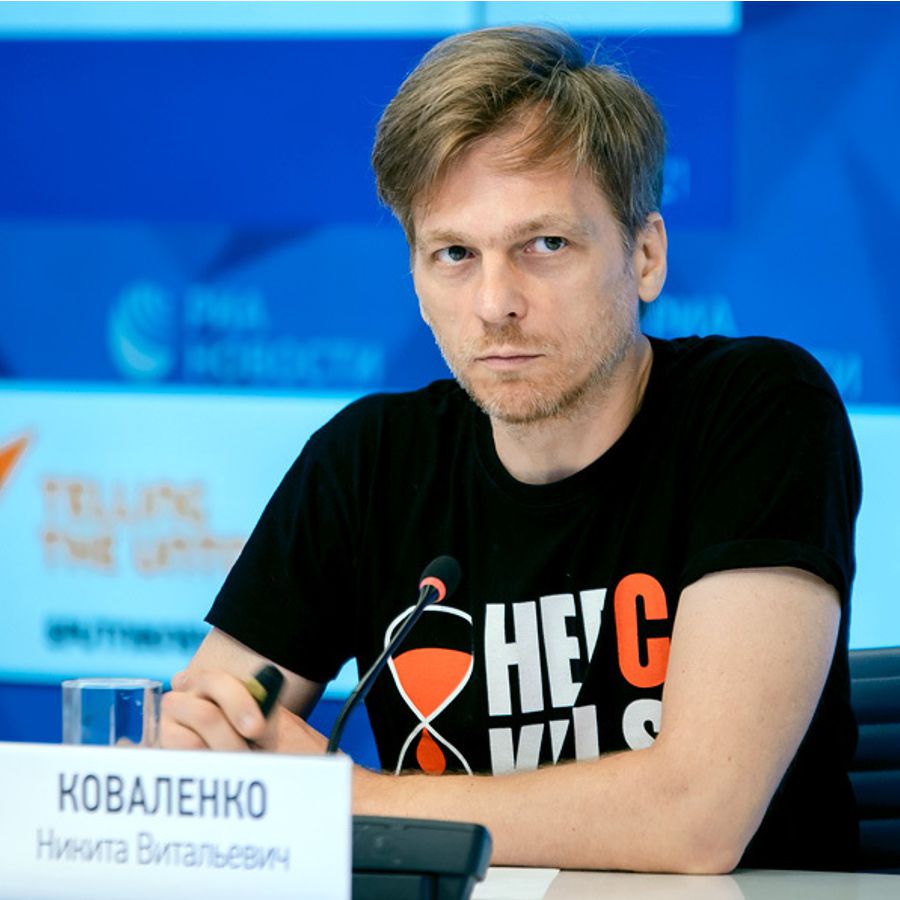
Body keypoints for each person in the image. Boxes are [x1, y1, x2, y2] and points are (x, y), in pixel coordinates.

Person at [161, 26, 861, 874]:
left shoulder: (758, 409)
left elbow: (696, 817)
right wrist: (193, 766)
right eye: (455, 254)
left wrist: (343, 799)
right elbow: (199, 756)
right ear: (417, 282)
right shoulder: (367, 461)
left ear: (646, 256)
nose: (496, 303)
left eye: (545, 245)